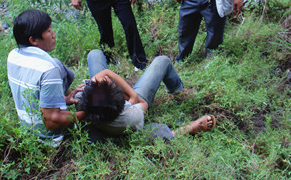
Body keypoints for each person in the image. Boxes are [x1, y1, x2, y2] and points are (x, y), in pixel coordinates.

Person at [75, 49, 216, 139]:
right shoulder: (131, 117)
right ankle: (181, 100)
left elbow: (105, 74)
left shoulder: (81, 97)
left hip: (106, 111)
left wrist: (98, 83)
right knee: (163, 61)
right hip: (128, 113)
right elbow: (141, 102)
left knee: (94, 54)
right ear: (123, 103)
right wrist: (132, 95)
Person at [6, 9, 86, 145]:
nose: (54, 35)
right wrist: (85, 114)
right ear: (34, 40)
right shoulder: (48, 70)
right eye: (49, 31)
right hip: (49, 139)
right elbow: (51, 121)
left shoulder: (13, 55)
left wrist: (63, 100)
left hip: (27, 131)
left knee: (57, 63)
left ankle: (58, 102)